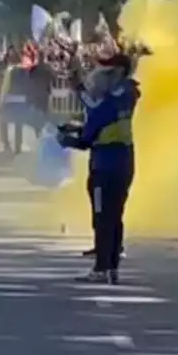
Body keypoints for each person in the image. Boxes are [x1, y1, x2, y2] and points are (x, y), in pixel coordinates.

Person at [60, 53, 139, 284]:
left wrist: (67, 138)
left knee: (103, 216)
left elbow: (91, 129)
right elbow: (96, 110)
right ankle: (111, 266)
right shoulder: (126, 93)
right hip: (123, 161)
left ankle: (102, 268)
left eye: (104, 71)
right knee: (115, 216)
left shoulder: (114, 97)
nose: (98, 77)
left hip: (105, 164)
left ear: (116, 73)